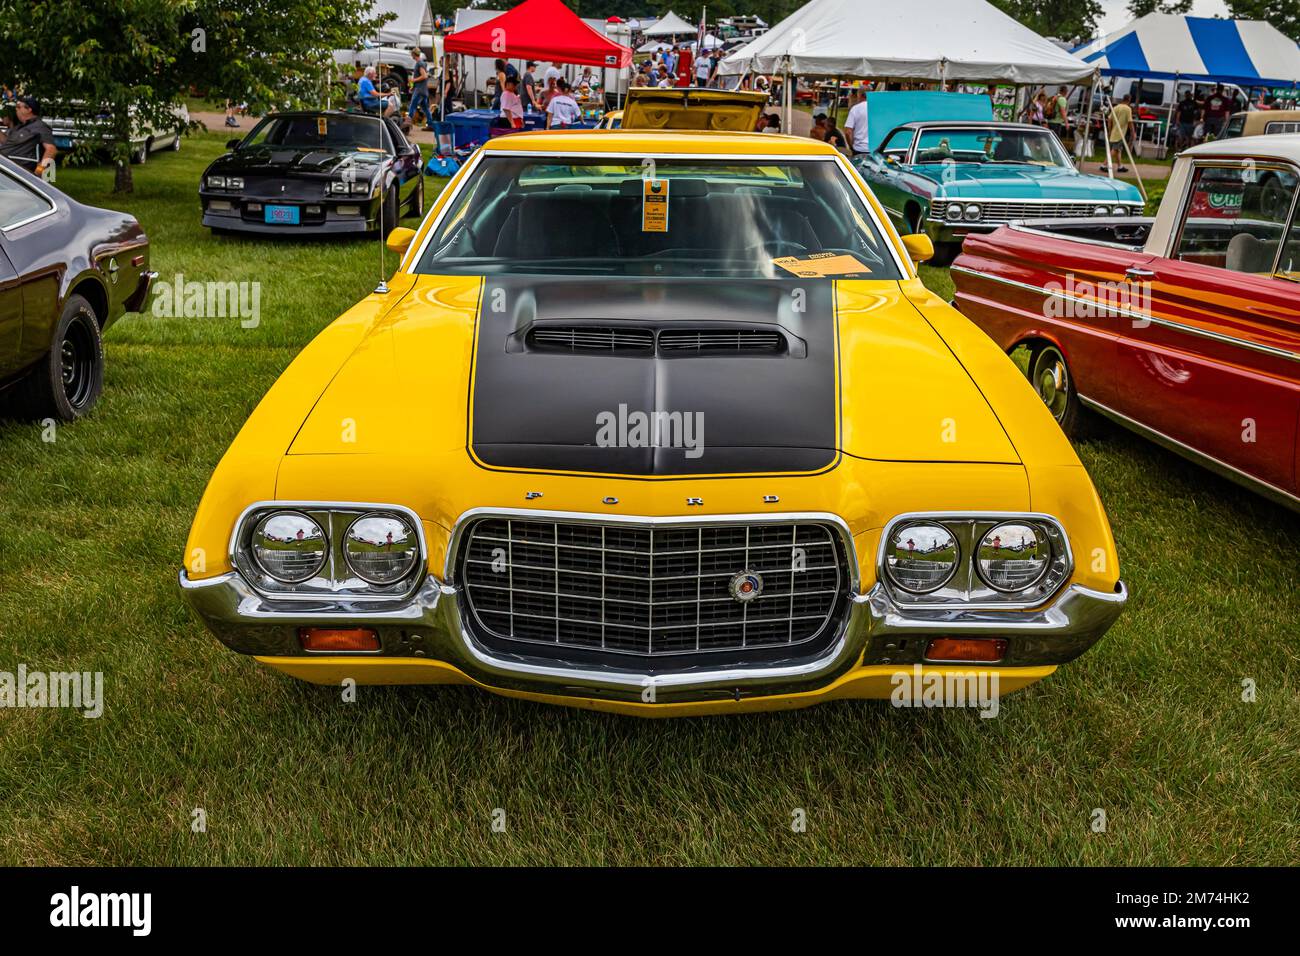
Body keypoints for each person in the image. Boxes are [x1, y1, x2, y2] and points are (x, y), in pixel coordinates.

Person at [0, 95, 56, 176]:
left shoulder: (40, 127)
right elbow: (6, 142)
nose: (16, 109)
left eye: (19, 107)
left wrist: (38, 172)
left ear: (29, 109)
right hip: (5, 166)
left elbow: (51, 150)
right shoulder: (19, 127)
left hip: (17, 170)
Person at [1108, 93, 1133, 172]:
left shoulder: (1115, 107)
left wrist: (1110, 130)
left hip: (1114, 132)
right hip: (1120, 133)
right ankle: (1104, 164)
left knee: (1118, 150)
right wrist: (1133, 132)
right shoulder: (1128, 109)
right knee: (1115, 150)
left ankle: (1120, 166)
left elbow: (1109, 119)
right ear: (1129, 100)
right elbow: (1130, 122)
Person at [843, 88, 869, 154]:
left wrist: (851, 146)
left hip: (859, 148)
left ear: (859, 95)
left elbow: (848, 132)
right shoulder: (878, 109)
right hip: (874, 148)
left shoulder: (855, 109)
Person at [408, 48, 430, 125]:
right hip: (422, 89)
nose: (411, 55)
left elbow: (424, 76)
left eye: (412, 54)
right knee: (425, 108)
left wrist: (414, 80)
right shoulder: (422, 63)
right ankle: (431, 124)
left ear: (414, 54)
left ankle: (407, 123)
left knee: (412, 106)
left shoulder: (419, 63)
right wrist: (413, 87)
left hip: (420, 90)